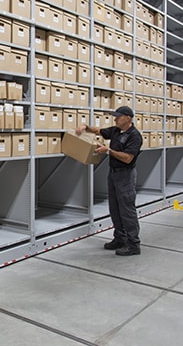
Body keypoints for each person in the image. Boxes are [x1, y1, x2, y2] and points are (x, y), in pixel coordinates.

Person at [76, 106, 143, 256]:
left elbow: (128, 158)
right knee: (115, 208)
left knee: (127, 210)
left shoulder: (134, 136)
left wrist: (108, 150)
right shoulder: (116, 130)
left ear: (128, 118)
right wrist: (85, 127)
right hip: (113, 174)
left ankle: (133, 244)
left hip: (126, 175)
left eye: (118, 116)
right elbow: (99, 131)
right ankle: (120, 238)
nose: (115, 119)